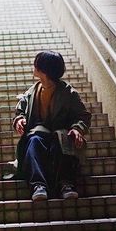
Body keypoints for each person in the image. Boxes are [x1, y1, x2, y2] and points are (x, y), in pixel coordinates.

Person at [12, 51, 91, 201]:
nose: (33, 66)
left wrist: (77, 129)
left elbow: (83, 115)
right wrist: (19, 120)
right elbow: (20, 110)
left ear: (44, 69)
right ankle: (38, 185)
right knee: (34, 140)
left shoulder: (68, 93)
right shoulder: (31, 92)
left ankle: (66, 184)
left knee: (61, 139)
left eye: (37, 63)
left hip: (61, 134)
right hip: (38, 134)